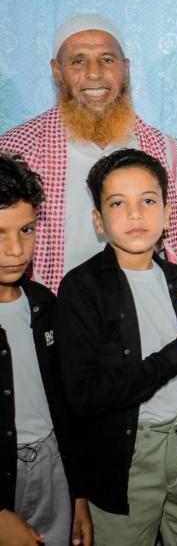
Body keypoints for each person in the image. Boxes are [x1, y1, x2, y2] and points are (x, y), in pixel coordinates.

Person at [54, 149, 177, 545]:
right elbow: (86, 395)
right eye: (118, 204)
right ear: (99, 220)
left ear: (167, 214)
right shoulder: (82, 289)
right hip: (126, 457)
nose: (135, 214)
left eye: (148, 201)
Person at [0, 13, 177, 290]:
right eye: (78, 61)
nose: (94, 73)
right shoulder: (14, 153)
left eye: (107, 60)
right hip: (51, 312)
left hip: (145, 312)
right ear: (57, 71)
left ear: (125, 68)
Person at [0, 152, 91, 546]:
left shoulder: (43, 303)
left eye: (26, 230)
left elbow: (65, 405)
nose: (16, 249)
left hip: (53, 464)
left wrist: (78, 493)